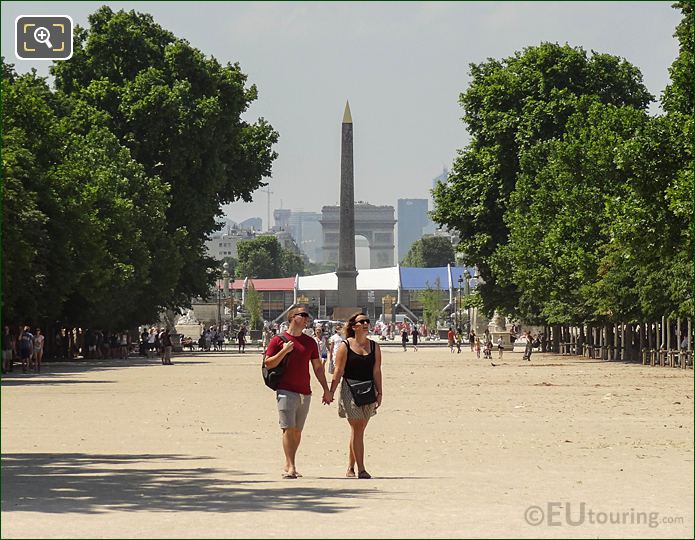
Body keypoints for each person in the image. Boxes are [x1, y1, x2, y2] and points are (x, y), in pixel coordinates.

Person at [263, 306, 332, 479]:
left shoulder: (309, 342)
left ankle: (289, 462)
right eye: (303, 315)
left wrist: (326, 389)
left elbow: (317, 368)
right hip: (285, 390)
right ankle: (292, 466)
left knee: (297, 431)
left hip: (305, 392)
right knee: (287, 428)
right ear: (293, 317)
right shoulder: (278, 340)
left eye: (307, 316)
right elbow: (268, 363)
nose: (307, 319)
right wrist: (284, 350)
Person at [329, 312, 382, 479]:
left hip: (368, 389)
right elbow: (338, 370)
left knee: (358, 431)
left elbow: (376, 370)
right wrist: (330, 391)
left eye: (367, 320)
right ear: (354, 326)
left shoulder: (374, 346)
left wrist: (380, 392)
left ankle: (350, 467)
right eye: (362, 321)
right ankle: (362, 469)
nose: (366, 323)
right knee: (357, 428)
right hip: (350, 389)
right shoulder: (345, 345)